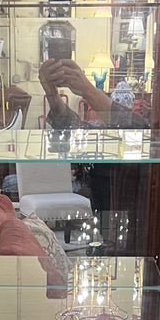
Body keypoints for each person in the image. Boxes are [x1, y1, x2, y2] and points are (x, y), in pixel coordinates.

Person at [38, 58, 150, 250]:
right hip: (108, 205)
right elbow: (80, 133)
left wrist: (88, 91)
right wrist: (52, 95)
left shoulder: (159, 114)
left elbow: (138, 131)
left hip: (139, 219)